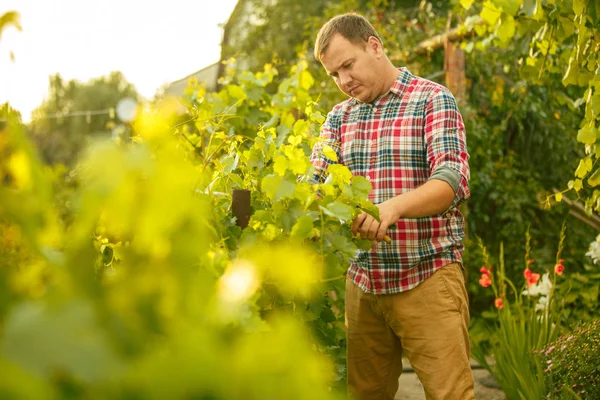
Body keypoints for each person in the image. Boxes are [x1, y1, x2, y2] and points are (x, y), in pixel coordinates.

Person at [309, 13, 474, 400]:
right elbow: (315, 182)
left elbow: (453, 180)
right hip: (363, 283)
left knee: (451, 394)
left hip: (427, 276)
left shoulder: (431, 99)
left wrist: (392, 208)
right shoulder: (338, 118)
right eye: (334, 74)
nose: (344, 81)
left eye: (348, 65)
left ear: (374, 46)